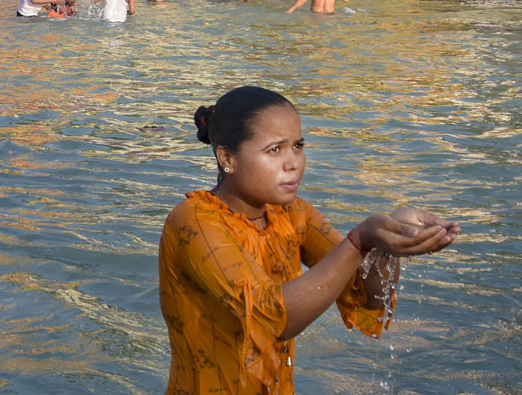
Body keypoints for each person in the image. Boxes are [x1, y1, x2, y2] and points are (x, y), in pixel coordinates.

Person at [159, 86, 458, 395]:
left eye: (298, 145)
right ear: (227, 158)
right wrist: (359, 242)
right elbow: (275, 318)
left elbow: (367, 294)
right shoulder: (193, 221)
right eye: (275, 149)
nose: (294, 163)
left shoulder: (292, 213)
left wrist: (390, 238)